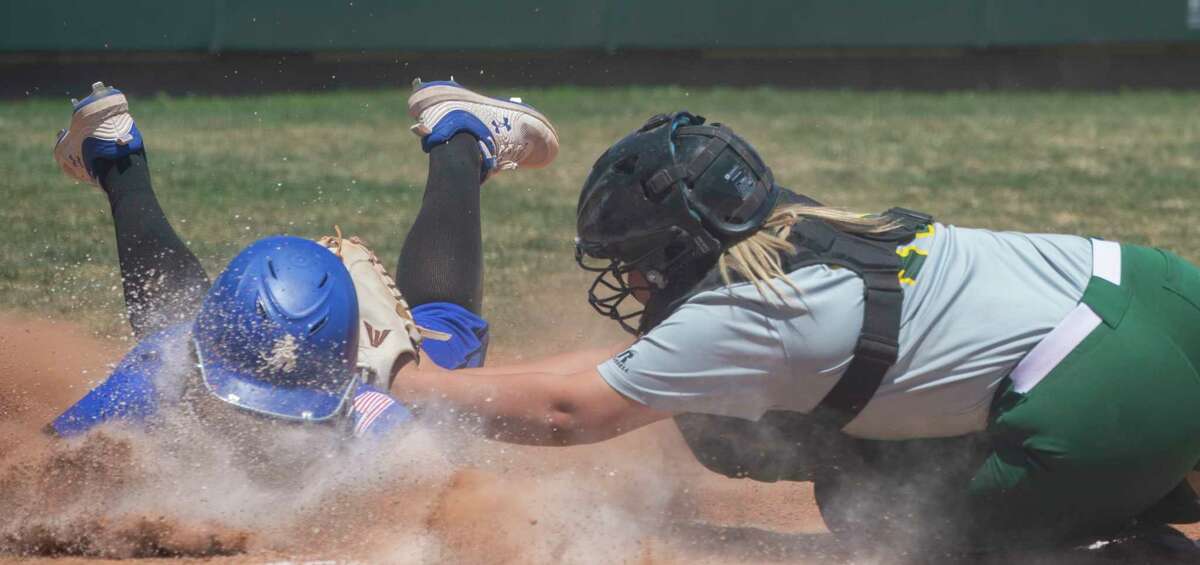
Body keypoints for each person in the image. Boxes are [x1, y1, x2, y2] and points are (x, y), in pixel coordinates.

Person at [389, 111, 1200, 554]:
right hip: (1156, 288)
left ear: (677, 248)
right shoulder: (790, 223)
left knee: (891, 529)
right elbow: (626, 366)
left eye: (636, 261)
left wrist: (412, 386)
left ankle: (1128, 542)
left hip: (1107, 401)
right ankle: (1154, 474)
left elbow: (573, 410)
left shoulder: (748, 316)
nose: (631, 281)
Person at [46, 80, 559, 443]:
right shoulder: (160, 370)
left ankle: (461, 140)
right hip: (254, 350)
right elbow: (33, 472)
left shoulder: (378, 416)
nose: (265, 421)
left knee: (442, 346)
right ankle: (112, 153)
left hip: (366, 368)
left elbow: (451, 507)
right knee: (172, 317)